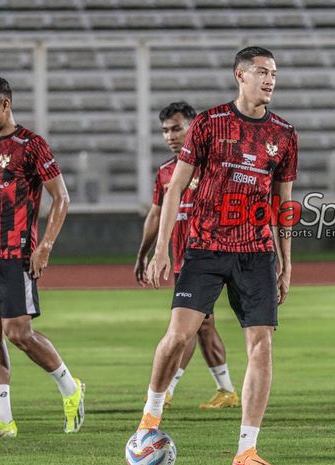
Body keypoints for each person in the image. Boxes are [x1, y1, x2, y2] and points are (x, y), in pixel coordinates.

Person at [136, 46, 298, 465]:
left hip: (255, 253)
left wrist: (286, 260)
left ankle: (246, 449)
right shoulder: (210, 123)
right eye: (262, 72)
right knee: (179, 337)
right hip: (205, 248)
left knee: (261, 346)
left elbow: (283, 204)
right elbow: (174, 189)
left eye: (274, 73)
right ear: (239, 76)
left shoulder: (284, 135)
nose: (270, 79)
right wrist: (161, 251)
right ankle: (149, 420)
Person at [0, 75, 84, 438]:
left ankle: (70, 388)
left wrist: (44, 246)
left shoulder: (32, 145)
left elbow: (61, 198)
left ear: (5, 105)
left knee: (18, 333)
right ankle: (3, 419)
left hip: (14, 254)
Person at [134, 101, 239, 409]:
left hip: (209, 256)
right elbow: (155, 215)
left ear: (194, 127)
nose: (170, 136)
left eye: (177, 128)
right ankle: (226, 390)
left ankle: (167, 389)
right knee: (203, 325)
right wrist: (145, 253)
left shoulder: (214, 166)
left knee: (187, 326)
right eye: (165, 130)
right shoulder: (166, 172)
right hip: (183, 259)